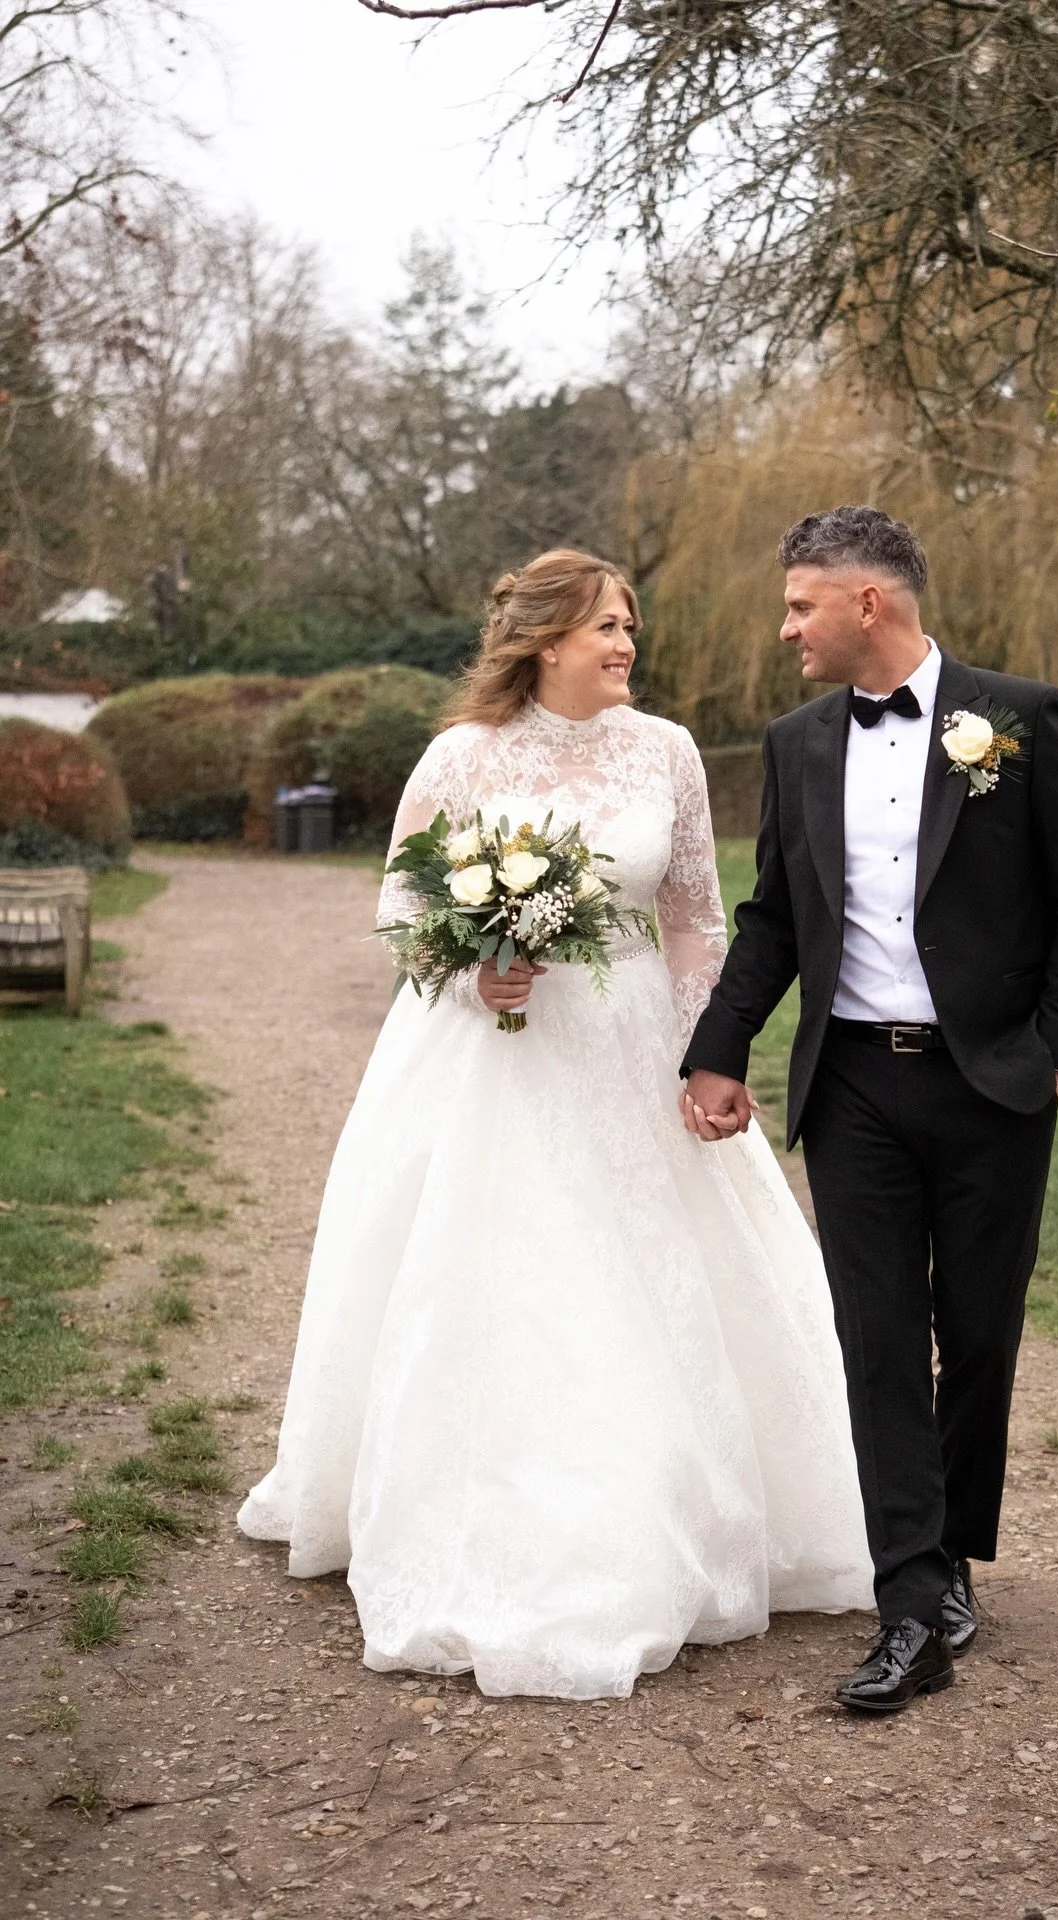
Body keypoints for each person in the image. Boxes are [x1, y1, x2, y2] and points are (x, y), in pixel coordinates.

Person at [238, 548, 873, 1700]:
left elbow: (690, 920)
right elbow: (401, 901)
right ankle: (508, 1522)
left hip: (633, 1047)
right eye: (602, 627)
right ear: (541, 640)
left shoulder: (669, 753)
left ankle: (677, 1508)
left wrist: (707, 1053)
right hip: (491, 1065)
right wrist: (477, 964)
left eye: (629, 624)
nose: (625, 643)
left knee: (653, 1271)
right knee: (511, 1277)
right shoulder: (462, 757)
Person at [681, 507, 1058, 1713]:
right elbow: (775, 912)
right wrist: (720, 1049)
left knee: (975, 1335)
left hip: (993, 1081)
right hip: (855, 1084)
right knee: (877, 1342)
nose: (785, 630)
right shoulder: (795, 743)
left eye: (798, 605)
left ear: (867, 603)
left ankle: (953, 1554)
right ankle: (912, 1602)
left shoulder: (1018, 720)